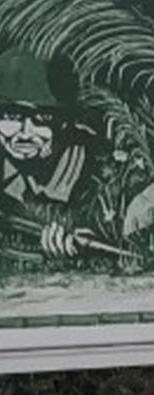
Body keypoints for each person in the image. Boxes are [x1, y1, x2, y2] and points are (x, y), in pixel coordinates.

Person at [0, 47, 98, 261]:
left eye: (42, 118)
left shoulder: (100, 176)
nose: (24, 133)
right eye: (10, 116)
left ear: (66, 121)